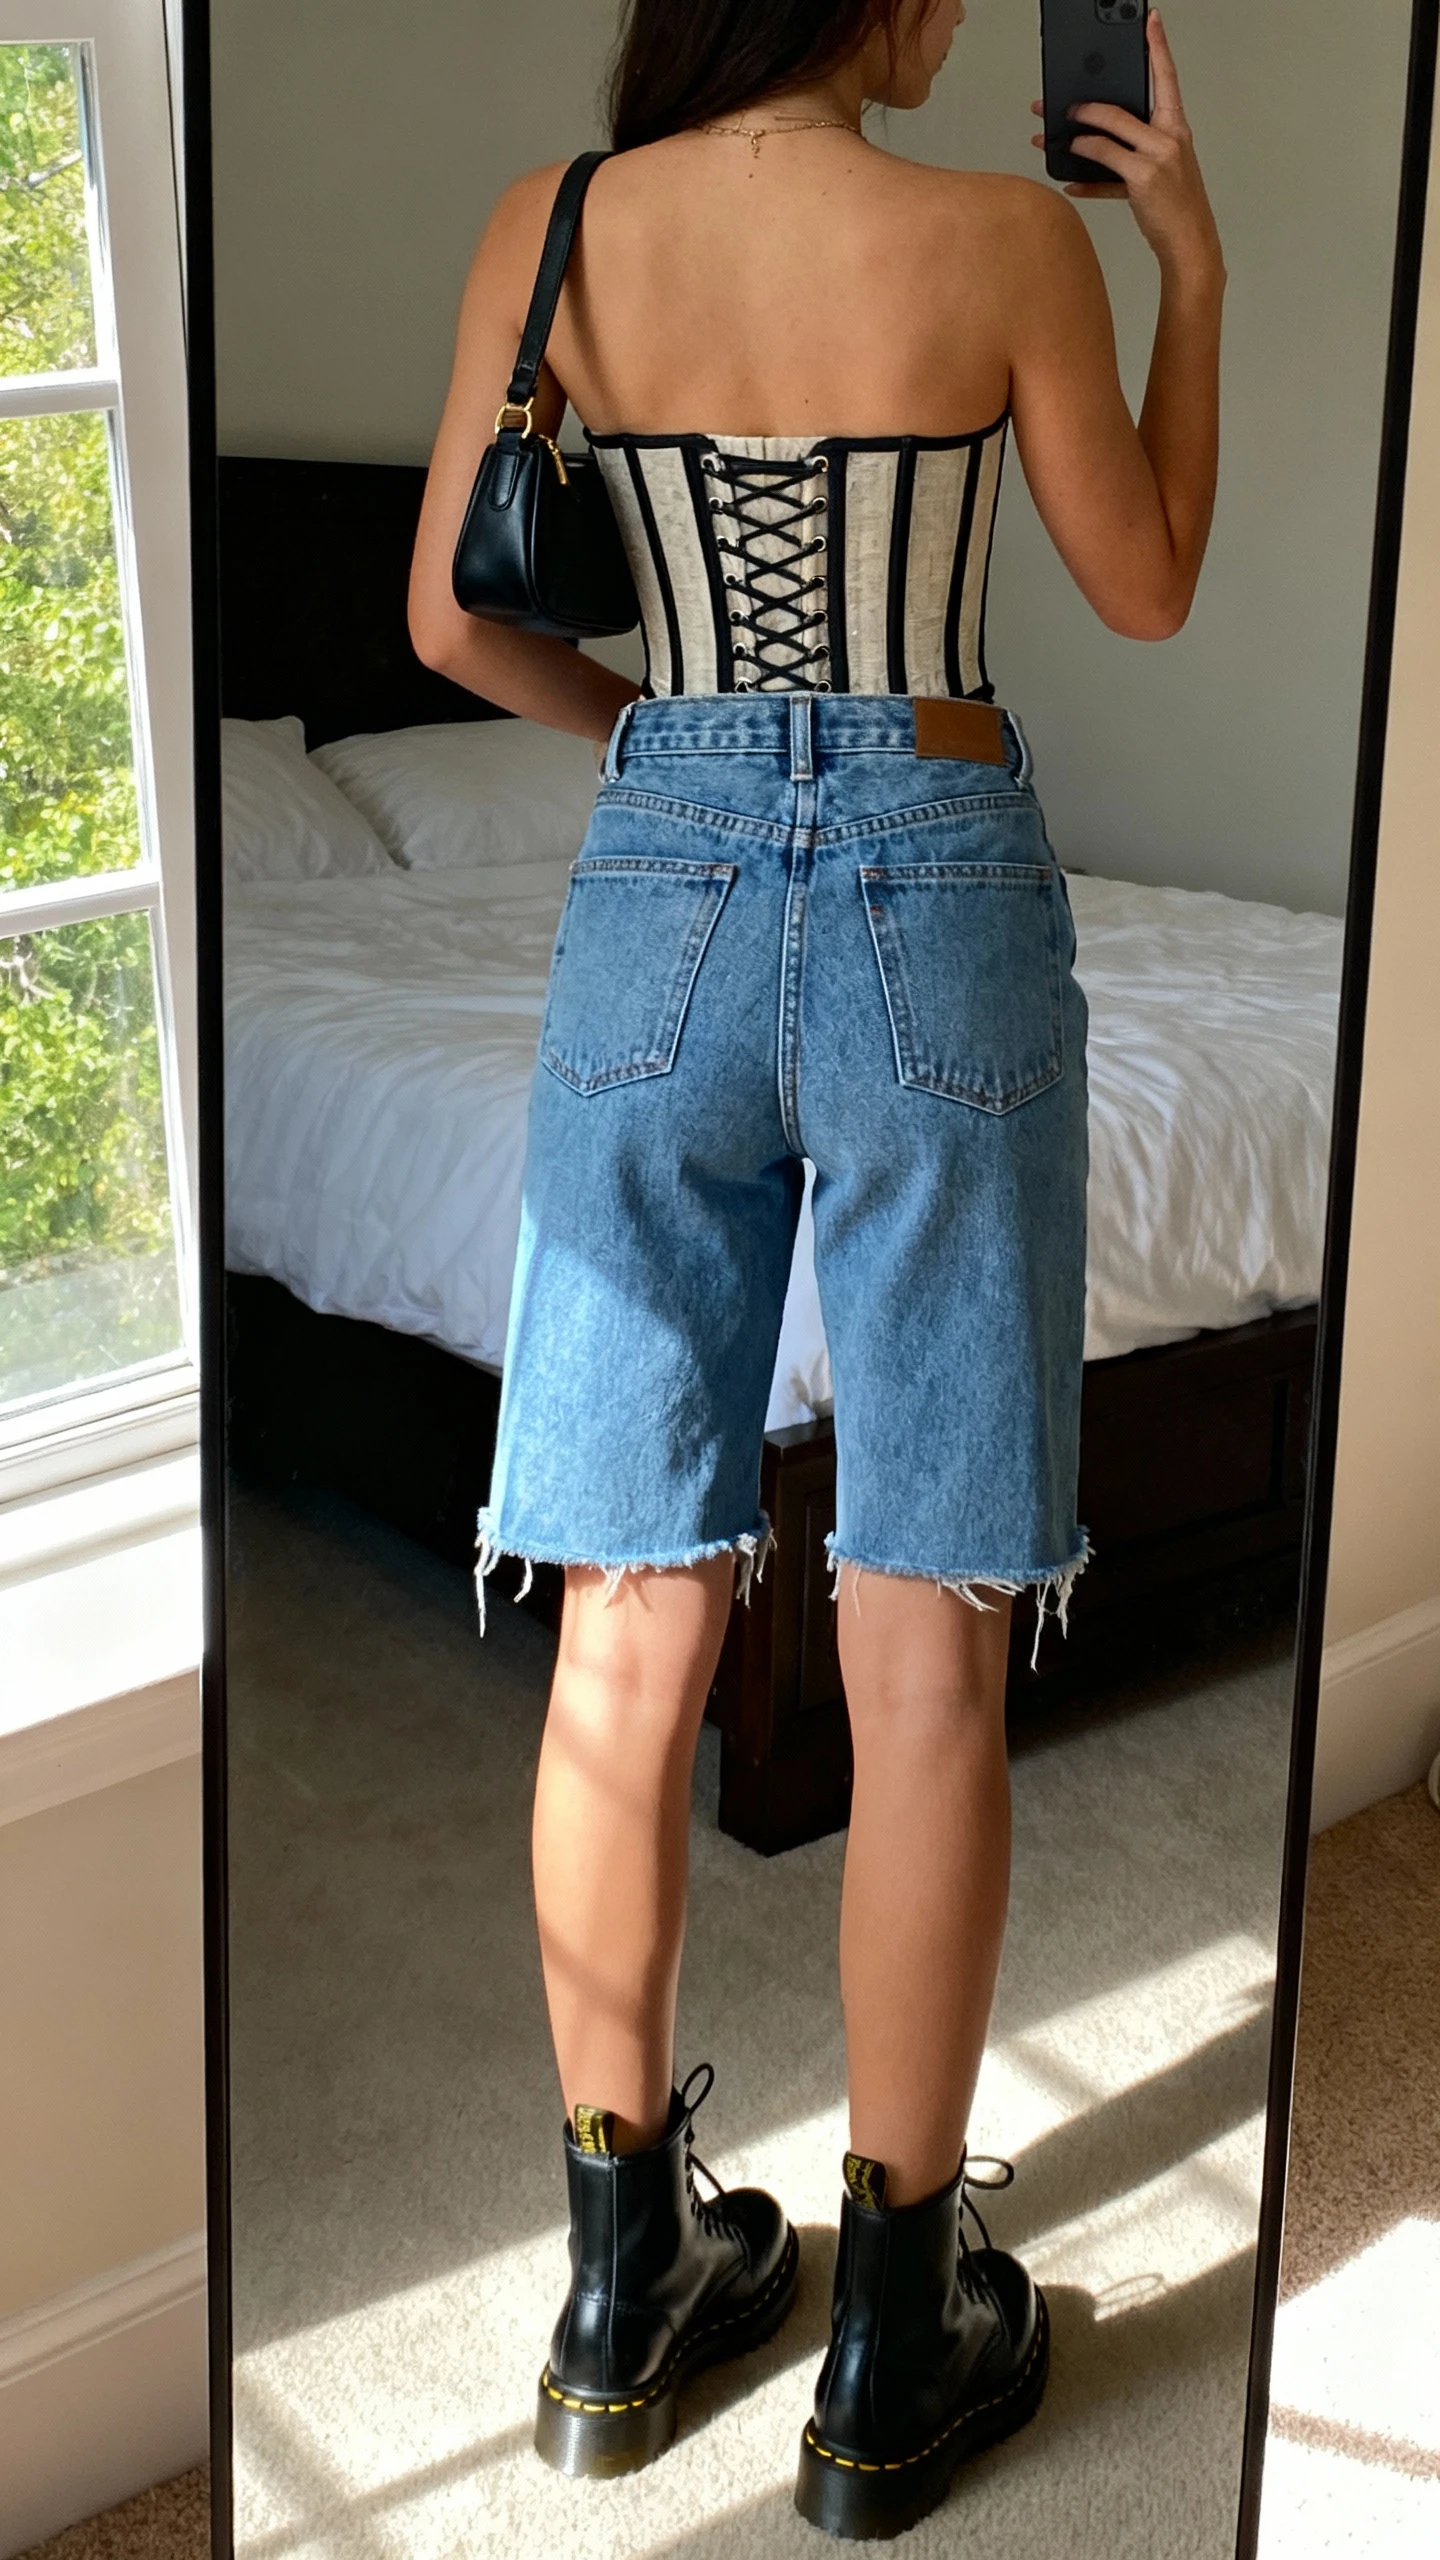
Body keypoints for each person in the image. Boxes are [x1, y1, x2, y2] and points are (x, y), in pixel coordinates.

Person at [409, 0, 1222, 2535]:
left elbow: (453, 624)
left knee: (628, 1610)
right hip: (933, 878)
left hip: (653, 881)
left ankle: (614, 2279)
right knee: (923, 1614)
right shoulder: (996, 239)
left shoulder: (552, 233)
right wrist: (1186, 261)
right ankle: (892, 2332)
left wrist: (667, 757)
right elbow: (1154, 582)